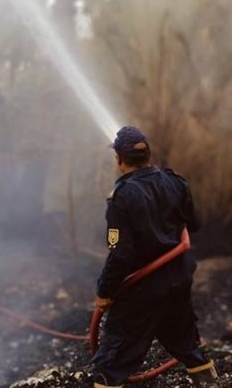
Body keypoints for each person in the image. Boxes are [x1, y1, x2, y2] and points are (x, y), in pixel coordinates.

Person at [91, 126, 218, 388]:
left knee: (111, 362)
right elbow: (193, 224)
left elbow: (121, 255)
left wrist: (104, 292)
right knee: (186, 344)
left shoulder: (122, 197)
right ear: (148, 155)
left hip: (142, 291)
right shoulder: (176, 183)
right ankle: (210, 383)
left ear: (118, 159)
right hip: (178, 282)